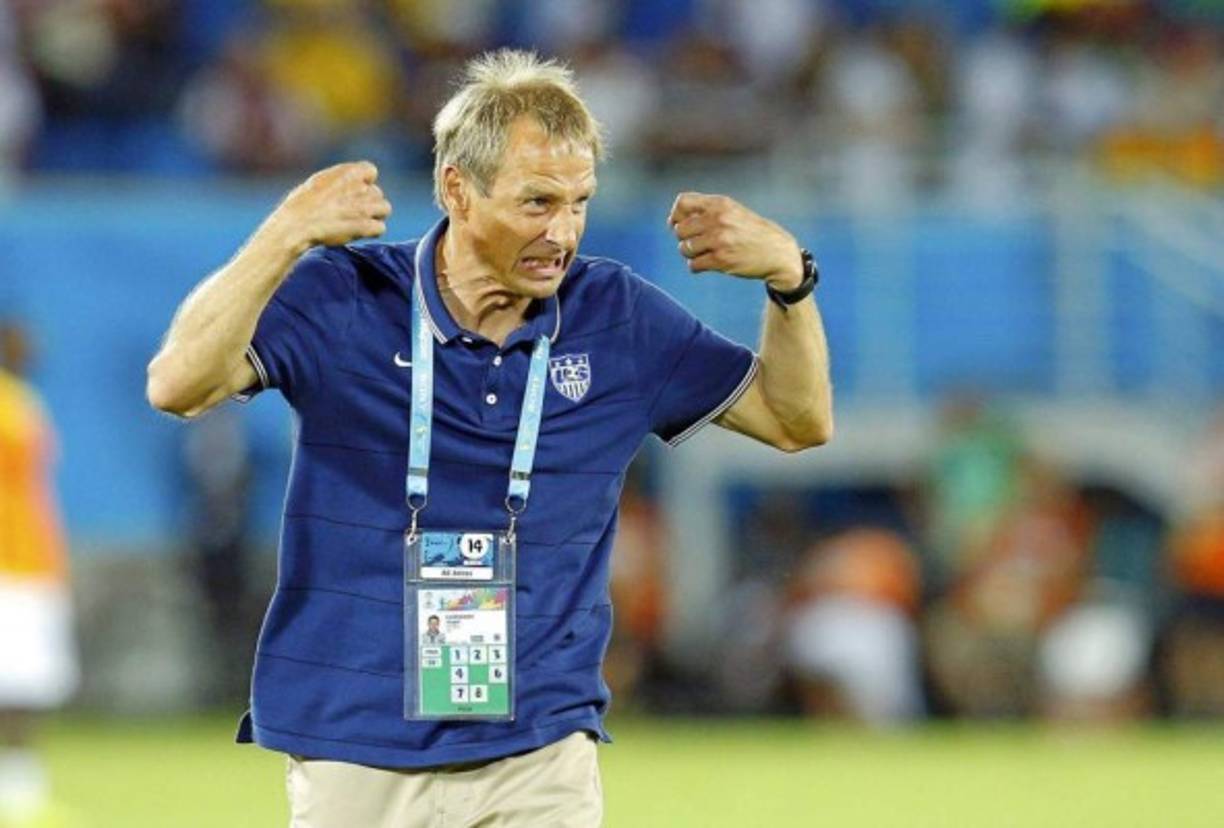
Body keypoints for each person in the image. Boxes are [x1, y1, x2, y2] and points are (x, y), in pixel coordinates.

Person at [147, 49, 832, 826]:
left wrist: (791, 281)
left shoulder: (617, 317)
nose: (564, 232)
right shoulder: (347, 299)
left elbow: (796, 420)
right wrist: (283, 237)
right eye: (538, 202)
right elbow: (178, 384)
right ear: (456, 191)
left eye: (579, 202)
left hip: (539, 746)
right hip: (354, 738)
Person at [0, 322, 78, 828]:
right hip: (7, 565)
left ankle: (20, 786)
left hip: (34, 560)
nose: (33, 348)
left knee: (29, 683)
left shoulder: (22, 399)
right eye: (20, 340)